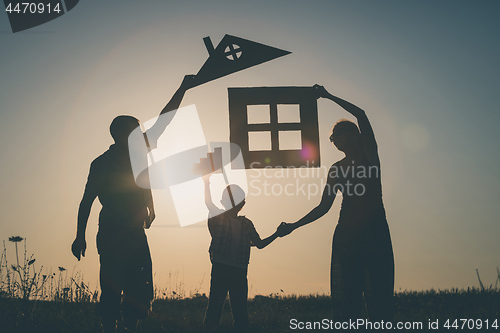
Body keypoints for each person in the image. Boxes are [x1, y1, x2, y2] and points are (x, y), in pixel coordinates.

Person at [71, 75, 196, 333]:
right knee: (114, 287)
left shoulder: (135, 154)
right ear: (123, 134)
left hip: (133, 231)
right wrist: (79, 236)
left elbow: (165, 120)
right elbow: (87, 201)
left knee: (137, 287)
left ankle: (126, 328)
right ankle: (111, 328)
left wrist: (182, 88)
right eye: (136, 130)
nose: (141, 134)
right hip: (113, 231)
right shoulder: (102, 163)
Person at [278, 85, 394, 322]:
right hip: (346, 236)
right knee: (348, 300)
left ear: (354, 134)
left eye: (338, 133)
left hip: (375, 232)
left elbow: (361, 114)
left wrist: (328, 95)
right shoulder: (336, 169)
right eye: (332, 137)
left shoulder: (369, 156)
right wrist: (293, 225)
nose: (334, 139)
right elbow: (323, 207)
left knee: (379, 297)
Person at [202, 173, 280, 332]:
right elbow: (208, 203)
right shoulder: (218, 217)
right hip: (223, 268)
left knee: (239, 312)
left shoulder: (246, 224)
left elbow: (260, 244)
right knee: (216, 309)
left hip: (237, 271)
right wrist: (206, 182)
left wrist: (277, 234)